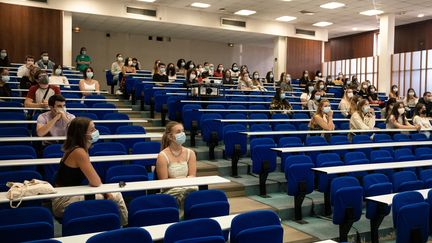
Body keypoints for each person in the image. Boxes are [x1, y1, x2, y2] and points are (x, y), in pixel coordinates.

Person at [52, 117, 128, 225]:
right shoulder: (79, 152)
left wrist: (105, 192)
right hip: (63, 200)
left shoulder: (79, 149)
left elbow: (93, 179)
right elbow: (96, 181)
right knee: (116, 196)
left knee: (111, 194)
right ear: (82, 134)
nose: (96, 132)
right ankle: (125, 228)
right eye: (92, 130)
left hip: (70, 194)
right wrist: (106, 193)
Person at [156, 121, 197, 215]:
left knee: (193, 193)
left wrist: (184, 182)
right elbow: (164, 182)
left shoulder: (190, 153)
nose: (182, 134)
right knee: (183, 195)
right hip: (171, 190)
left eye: (183, 131)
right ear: (170, 136)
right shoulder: (162, 156)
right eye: (178, 132)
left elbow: (192, 176)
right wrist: (182, 181)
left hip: (188, 187)